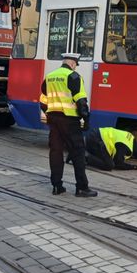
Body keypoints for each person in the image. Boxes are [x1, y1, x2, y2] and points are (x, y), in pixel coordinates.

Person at [40, 53, 97, 197]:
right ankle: (82, 188)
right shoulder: (74, 77)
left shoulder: (50, 77)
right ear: (73, 64)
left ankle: (57, 186)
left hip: (53, 120)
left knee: (56, 152)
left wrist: (50, 114)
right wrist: (86, 120)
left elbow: (42, 101)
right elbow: (81, 102)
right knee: (78, 153)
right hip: (70, 121)